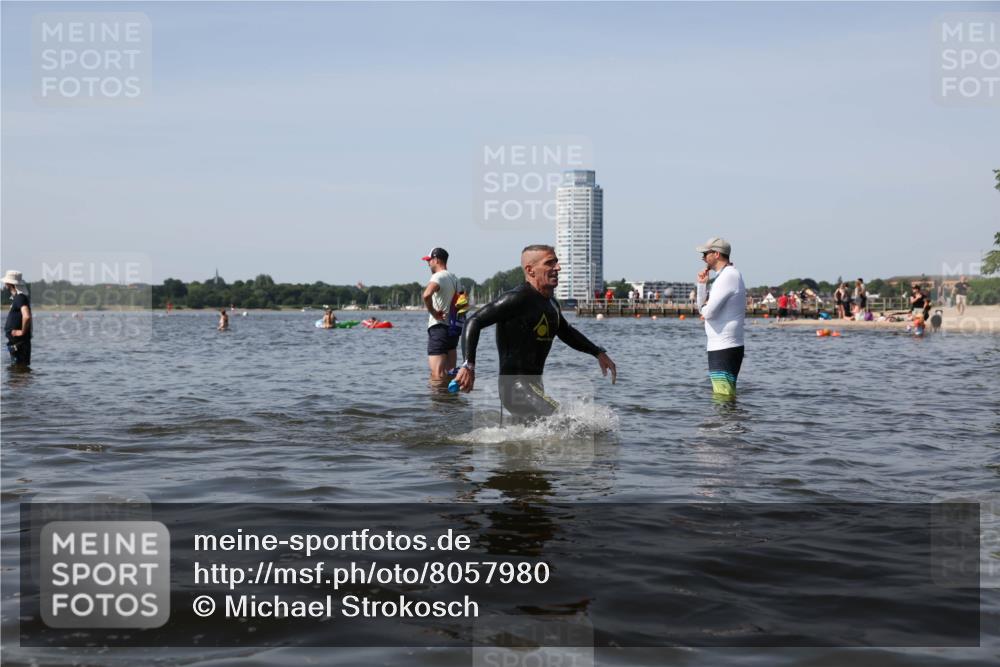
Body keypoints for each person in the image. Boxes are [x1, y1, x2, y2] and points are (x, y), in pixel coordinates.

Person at [454, 245, 616, 421]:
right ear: (530, 270)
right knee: (563, 422)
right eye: (549, 263)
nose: (557, 268)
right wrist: (468, 365)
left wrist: (597, 352)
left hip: (535, 385)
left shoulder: (551, 303)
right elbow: (474, 321)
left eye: (556, 262)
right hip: (514, 387)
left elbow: (567, 332)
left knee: (536, 437)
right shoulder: (517, 298)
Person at [695, 238, 745, 398]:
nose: (702, 258)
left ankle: (728, 423)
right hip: (720, 345)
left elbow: (707, 313)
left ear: (716, 254)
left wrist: (704, 308)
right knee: (723, 396)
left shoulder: (728, 276)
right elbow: (702, 309)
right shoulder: (724, 276)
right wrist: (702, 286)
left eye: (705, 254)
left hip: (725, 346)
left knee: (723, 397)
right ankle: (729, 423)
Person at [421, 247, 465, 382]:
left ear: (436, 260)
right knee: (450, 373)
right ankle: (450, 401)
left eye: (429, 260)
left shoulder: (438, 276)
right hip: (453, 330)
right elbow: (462, 305)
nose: (428, 264)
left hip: (439, 328)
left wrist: (434, 313)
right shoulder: (456, 279)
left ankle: (438, 403)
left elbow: (427, 294)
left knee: (437, 374)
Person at [3, 270, 32, 367]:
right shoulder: (17, 298)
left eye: (6, 282)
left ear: (9, 284)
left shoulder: (20, 298)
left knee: (20, 372)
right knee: (17, 373)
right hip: (16, 343)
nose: (5, 284)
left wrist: (22, 332)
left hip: (20, 344)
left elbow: (27, 316)